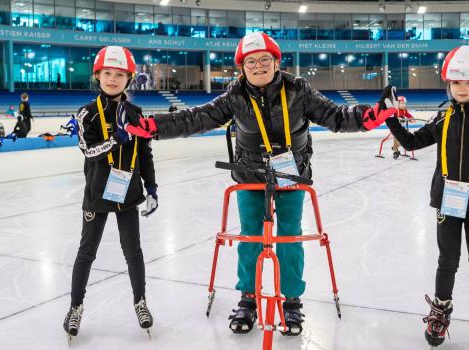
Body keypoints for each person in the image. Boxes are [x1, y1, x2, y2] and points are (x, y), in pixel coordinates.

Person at [124, 32, 397, 336]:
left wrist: (370, 117)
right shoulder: (235, 94)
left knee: (290, 236)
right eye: (250, 62)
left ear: (276, 62)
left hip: (292, 174)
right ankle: (248, 298)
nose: (257, 66)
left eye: (264, 59)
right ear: (242, 67)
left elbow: (335, 115)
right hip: (249, 175)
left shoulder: (298, 89)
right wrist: (154, 127)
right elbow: (195, 118)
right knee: (251, 237)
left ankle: (291, 301)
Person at [385, 45, 469, 349]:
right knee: (447, 260)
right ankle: (441, 310)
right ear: (448, 83)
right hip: (447, 201)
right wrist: (390, 116)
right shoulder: (443, 117)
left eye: (468, 82)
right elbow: (411, 141)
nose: (461, 88)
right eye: (456, 82)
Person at [63, 46, 159, 341]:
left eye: (119, 74)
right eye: (107, 73)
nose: (113, 79)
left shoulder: (136, 113)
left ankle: (140, 302)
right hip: (97, 195)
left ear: (129, 78)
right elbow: (88, 151)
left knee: (133, 251)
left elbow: (144, 154)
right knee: (86, 252)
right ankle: (75, 307)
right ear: (98, 76)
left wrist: (152, 186)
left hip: (127, 194)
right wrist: (115, 140)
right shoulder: (86, 114)